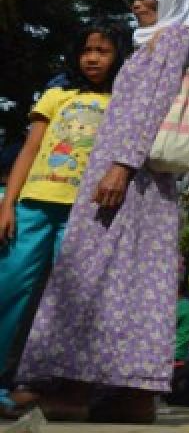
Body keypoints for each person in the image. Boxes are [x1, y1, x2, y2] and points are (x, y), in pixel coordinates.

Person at [14, 0, 189, 424]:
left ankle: (75, 388)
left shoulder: (174, 39)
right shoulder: (160, 42)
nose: (139, 5)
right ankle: (132, 396)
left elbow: (151, 104)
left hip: (128, 177)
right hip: (136, 179)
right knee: (132, 283)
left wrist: (121, 165)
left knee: (92, 274)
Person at [0, 26, 125, 408]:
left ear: (118, 56)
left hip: (85, 213)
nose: (92, 58)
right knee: (10, 289)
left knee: (69, 302)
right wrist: (8, 203)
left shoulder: (123, 99)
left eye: (103, 51)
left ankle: (52, 385)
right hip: (34, 204)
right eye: (86, 50)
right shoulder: (56, 95)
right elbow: (31, 147)